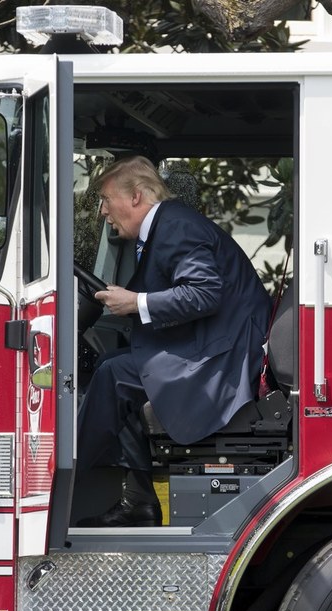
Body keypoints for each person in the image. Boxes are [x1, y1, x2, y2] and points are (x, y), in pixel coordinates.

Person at [77, 156, 271, 527]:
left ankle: (60, 476)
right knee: (112, 366)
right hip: (218, 342)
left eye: (105, 199)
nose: (102, 212)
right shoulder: (166, 225)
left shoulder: (176, 227)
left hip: (223, 357)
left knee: (113, 374)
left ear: (136, 197)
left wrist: (135, 302)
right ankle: (138, 500)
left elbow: (204, 292)